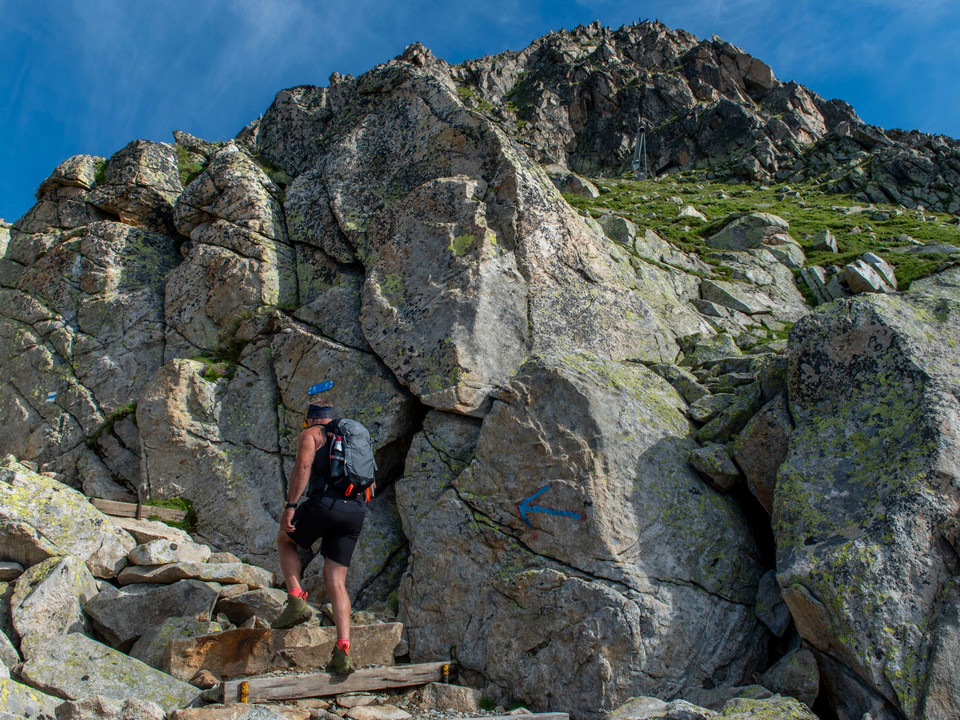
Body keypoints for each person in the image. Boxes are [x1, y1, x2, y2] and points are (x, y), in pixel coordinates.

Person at [273, 400, 369, 675]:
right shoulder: (351, 438)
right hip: (356, 511)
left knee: (286, 540)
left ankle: (295, 599)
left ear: (310, 418)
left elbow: (303, 467)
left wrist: (291, 506)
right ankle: (343, 651)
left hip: (325, 504)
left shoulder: (312, 434)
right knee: (337, 580)